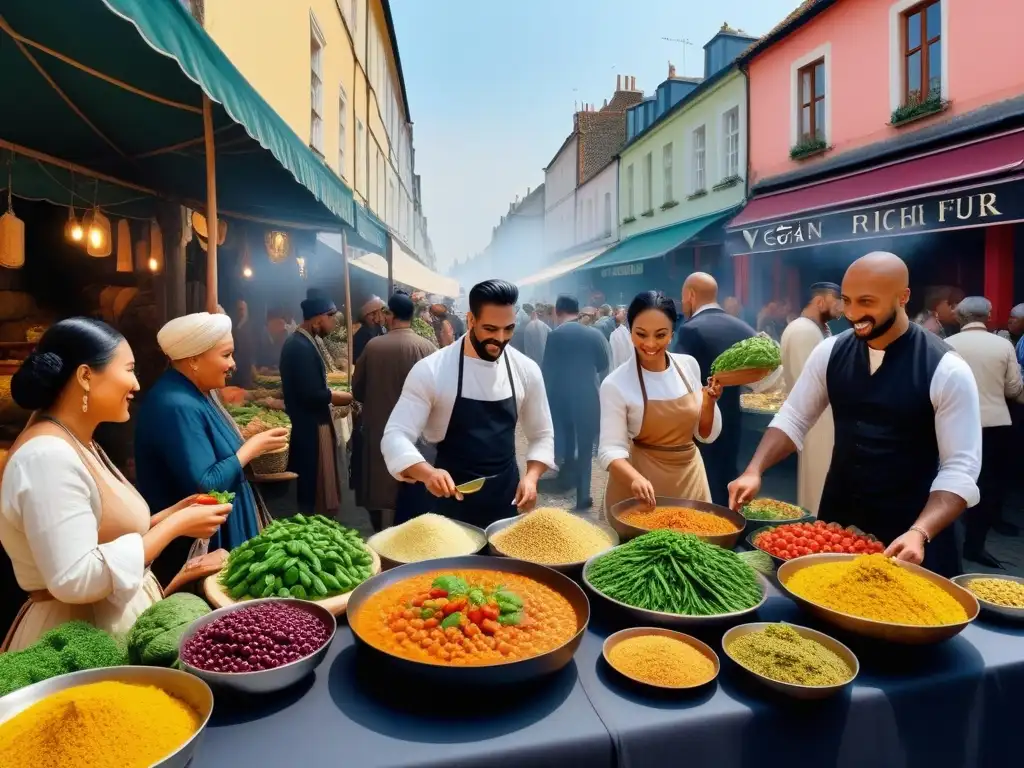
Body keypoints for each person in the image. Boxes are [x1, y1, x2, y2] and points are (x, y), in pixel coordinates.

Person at [729, 252, 982, 577]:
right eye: (847, 301)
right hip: (840, 521)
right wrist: (754, 469)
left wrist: (920, 532)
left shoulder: (947, 369)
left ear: (902, 297)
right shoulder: (830, 350)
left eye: (866, 301)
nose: (852, 313)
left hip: (912, 530)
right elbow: (793, 418)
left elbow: (960, 469)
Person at [1, 319, 232, 650]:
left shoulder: (76, 440)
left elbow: (97, 535)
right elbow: (75, 578)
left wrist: (169, 517)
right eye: (128, 369)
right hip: (78, 641)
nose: (136, 384)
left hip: (102, 622)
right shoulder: (46, 456)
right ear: (85, 376)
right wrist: (175, 526)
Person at [381, 279, 554, 527]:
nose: (501, 339)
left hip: (504, 498)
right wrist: (428, 473)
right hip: (446, 501)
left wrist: (532, 477)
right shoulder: (432, 370)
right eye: (491, 329)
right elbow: (395, 435)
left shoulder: (526, 370)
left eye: (508, 329)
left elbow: (542, 434)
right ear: (471, 320)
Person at [135, 312, 287, 585]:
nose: (233, 364)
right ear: (193, 360)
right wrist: (251, 448)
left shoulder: (196, 392)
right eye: (226, 355)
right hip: (200, 541)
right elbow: (205, 483)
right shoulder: (176, 404)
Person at [599, 292, 722, 512]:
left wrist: (709, 403)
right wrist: (635, 479)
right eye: (641, 334)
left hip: (690, 480)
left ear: (672, 333)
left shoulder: (688, 366)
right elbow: (610, 449)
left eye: (660, 335)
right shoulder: (615, 384)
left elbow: (704, 434)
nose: (650, 343)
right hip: (642, 489)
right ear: (629, 331)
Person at [675, 272, 779, 506]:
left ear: (690, 295)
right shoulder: (742, 327)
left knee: (701, 490)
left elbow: (677, 379)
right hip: (733, 423)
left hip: (700, 424)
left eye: (683, 298)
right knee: (726, 483)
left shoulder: (690, 329)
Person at [945, 296, 1023, 567]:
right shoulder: (1003, 345)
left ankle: (947, 543)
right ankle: (975, 546)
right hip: (994, 426)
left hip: (953, 424)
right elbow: (1014, 389)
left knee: (951, 481)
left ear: (960, 317)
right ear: (988, 316)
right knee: (988, 488)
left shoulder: (946, 345)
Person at [352, 291, 438, 531]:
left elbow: (357, 390)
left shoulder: (373, 346)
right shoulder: (428, 348)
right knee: (413, 486)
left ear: (390, 315)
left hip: (380, 429)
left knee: (381, 489)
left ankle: (382, 538)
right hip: (419, 434)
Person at [280, 292, 354, 516]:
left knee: (313, 481)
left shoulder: (304, 341)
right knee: (310, 483)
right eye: (332, 317)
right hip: (308, 426)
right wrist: (344, 397)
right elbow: (312, 394)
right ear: (318, 318)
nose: (333, 323)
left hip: (310, 423)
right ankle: (309, 526)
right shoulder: (299, 346)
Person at [779, 282, 843, 515]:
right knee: (817, 485)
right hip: (818, 421)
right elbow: (808, 383)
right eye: (838, 302)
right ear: (820, 301)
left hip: (823, 420)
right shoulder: (803, 331)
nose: (842, 309)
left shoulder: (814, 329)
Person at [542, 295, 610, 510]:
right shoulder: (594, 334)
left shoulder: (554, 336)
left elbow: (547, 371)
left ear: (558, 311)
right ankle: (583, 495)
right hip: (588, 398)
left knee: (569, 442)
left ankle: (566, 480)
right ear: (577, 310)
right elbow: (603, 364)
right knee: (585, 447)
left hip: (562, 400)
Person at [352, 296, 386, 362]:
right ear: (364, 316)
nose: (378, 318)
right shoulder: (362, 335)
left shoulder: (378, 328)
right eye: (373, 314)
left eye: (380, 312)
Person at [230, 299, 255, 388]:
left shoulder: (250, 328)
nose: (241, 312)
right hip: (233, 372)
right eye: (239, 309)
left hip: (245, 373)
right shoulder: (230, 327)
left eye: (243, 309)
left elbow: (250, 352)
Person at [609, 305, 632, 371]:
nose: (625, 316)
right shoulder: (614, 332)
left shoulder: (625, 330)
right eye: (623, 313)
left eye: (626, 313)